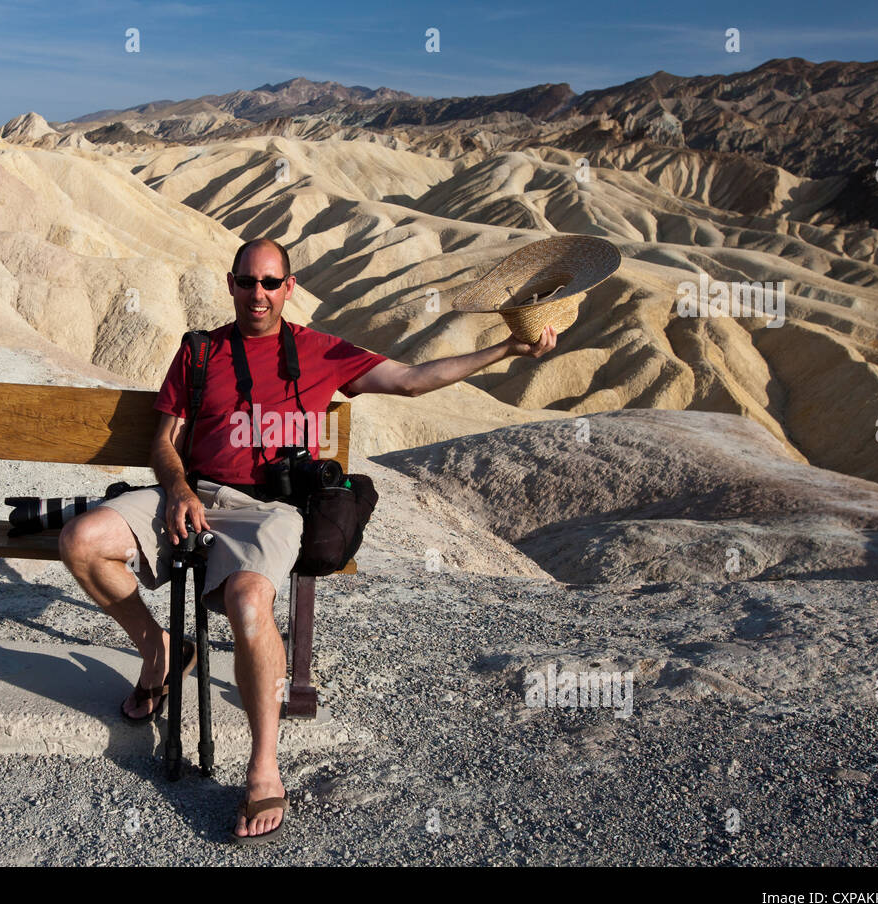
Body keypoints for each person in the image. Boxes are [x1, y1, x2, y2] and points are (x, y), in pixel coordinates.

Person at [59, 237, 558, 842]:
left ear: (289, 288)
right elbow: (164, 442)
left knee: (248, 601)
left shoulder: (321, 352)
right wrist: (180, 490)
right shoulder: (198, 352)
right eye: (247, 282)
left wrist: (507, 347)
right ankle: (163, 652)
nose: (259, 294)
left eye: (271, 283)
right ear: (231, 284)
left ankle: (263, 766)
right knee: (82, 540)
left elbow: (412, 380)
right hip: (198, 494)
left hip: (272, 510)